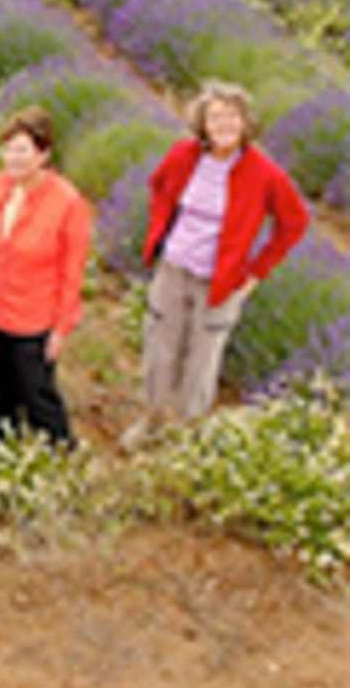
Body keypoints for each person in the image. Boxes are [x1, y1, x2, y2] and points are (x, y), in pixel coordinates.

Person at [122, 81, 309, 450]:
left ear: (245, 123)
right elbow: (158, 185)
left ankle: (188, 438)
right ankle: (153, 420)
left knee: (202, 359)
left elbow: (295, 223)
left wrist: (256, 272)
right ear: (202, 124)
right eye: (215, 117)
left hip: (220, 282)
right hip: (174, 269)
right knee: (161, 345)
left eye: (232, 116)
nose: (224, 124)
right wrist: (160, 233)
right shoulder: (184, 155)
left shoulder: (264, 173)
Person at [0, 107, 91, 447]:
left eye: (23, 150)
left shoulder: (68, 203)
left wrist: (61, 329)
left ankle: (62, 462)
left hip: (30, 321)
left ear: (43, 154)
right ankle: (3, 457)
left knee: (38, 399)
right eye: (9, 149)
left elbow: (71, 273)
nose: (13, 158)